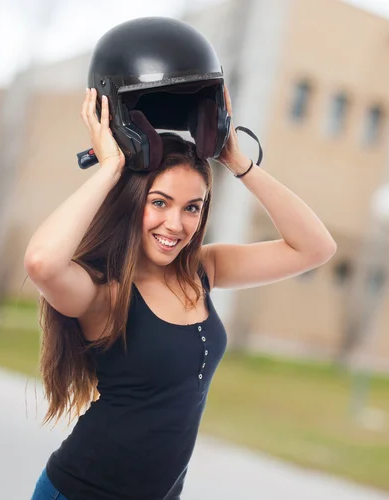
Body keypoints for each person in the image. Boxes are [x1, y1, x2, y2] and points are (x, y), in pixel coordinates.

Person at [26, 85, 337, 500]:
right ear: (133, 200)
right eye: (160, 202)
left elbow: (316, 247)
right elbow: (42, 263)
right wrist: (110, 168)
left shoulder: (203, 270)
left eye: (192, 207)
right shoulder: (104, 292)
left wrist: (238, 162)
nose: (175, 224)